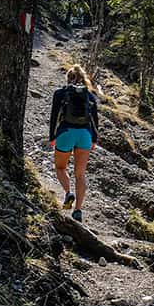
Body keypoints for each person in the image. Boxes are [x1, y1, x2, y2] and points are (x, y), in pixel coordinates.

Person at [48, 65, 99, 223]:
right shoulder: (90, 96)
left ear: (68, 78)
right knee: (80, 174)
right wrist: (94, 140)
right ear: (84, 78)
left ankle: (68, 193)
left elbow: (54, 116)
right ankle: (78, 210)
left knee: (60, 167)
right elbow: (95, 121)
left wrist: (52, 136)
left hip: (66, 133)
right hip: (85, 135)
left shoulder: (60, 93)